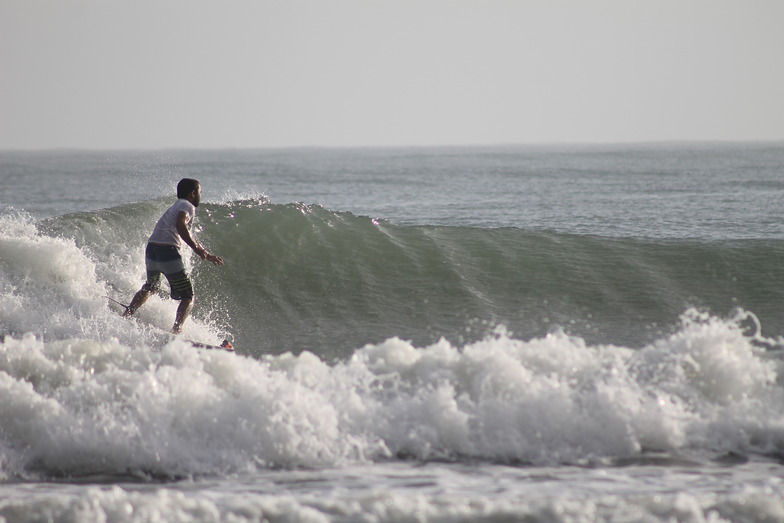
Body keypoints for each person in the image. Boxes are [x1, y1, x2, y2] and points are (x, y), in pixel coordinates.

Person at [123, 178, 224, 334]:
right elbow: (180, 225)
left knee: (151, 286)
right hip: (168, 251)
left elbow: (187, 231)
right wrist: (197, 250)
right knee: (188, 296)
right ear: (192, 193)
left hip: (152, 249)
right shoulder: (187, 205)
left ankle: (128, 313)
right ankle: (176, 330)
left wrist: (205, 252)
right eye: (199, 192)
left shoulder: (176, 206)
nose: (200, 195)